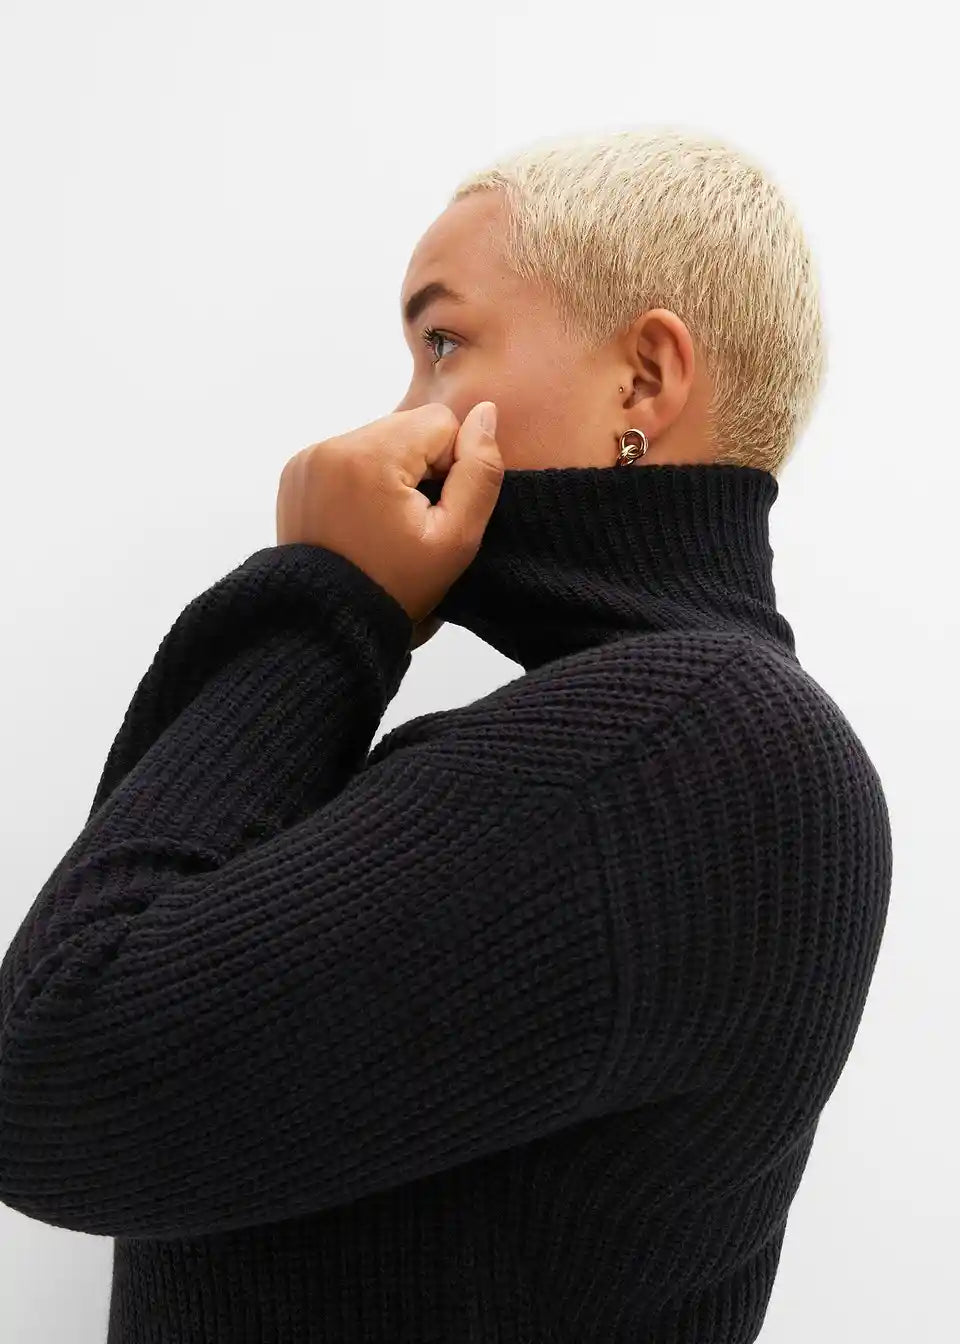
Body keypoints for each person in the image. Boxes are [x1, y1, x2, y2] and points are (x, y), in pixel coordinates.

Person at [0, 128, 892, 1344]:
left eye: (441, 344)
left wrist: (324, 597)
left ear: (644, 381)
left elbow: (56, 1068)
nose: (396, 422)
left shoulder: (688, 739)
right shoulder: (672, 738)